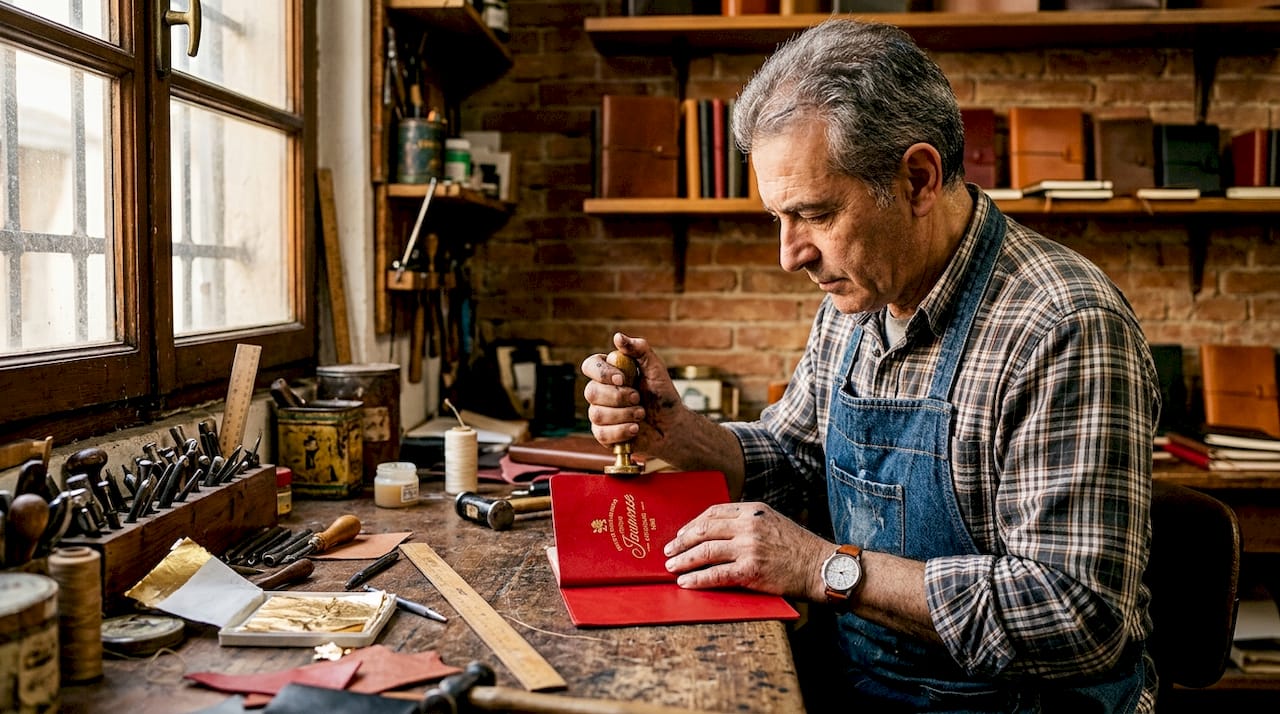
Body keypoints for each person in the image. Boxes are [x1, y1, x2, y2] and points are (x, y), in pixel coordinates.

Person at [581, 19, 1159, 714]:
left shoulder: (1061, 326)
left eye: (814, 214)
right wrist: (678, 434)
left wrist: (822, 567)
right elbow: (795, 457)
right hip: (862, 686)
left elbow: (1078, 616)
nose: (790, 254)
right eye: (778, 219)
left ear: (918, 179)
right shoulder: (858, 298)